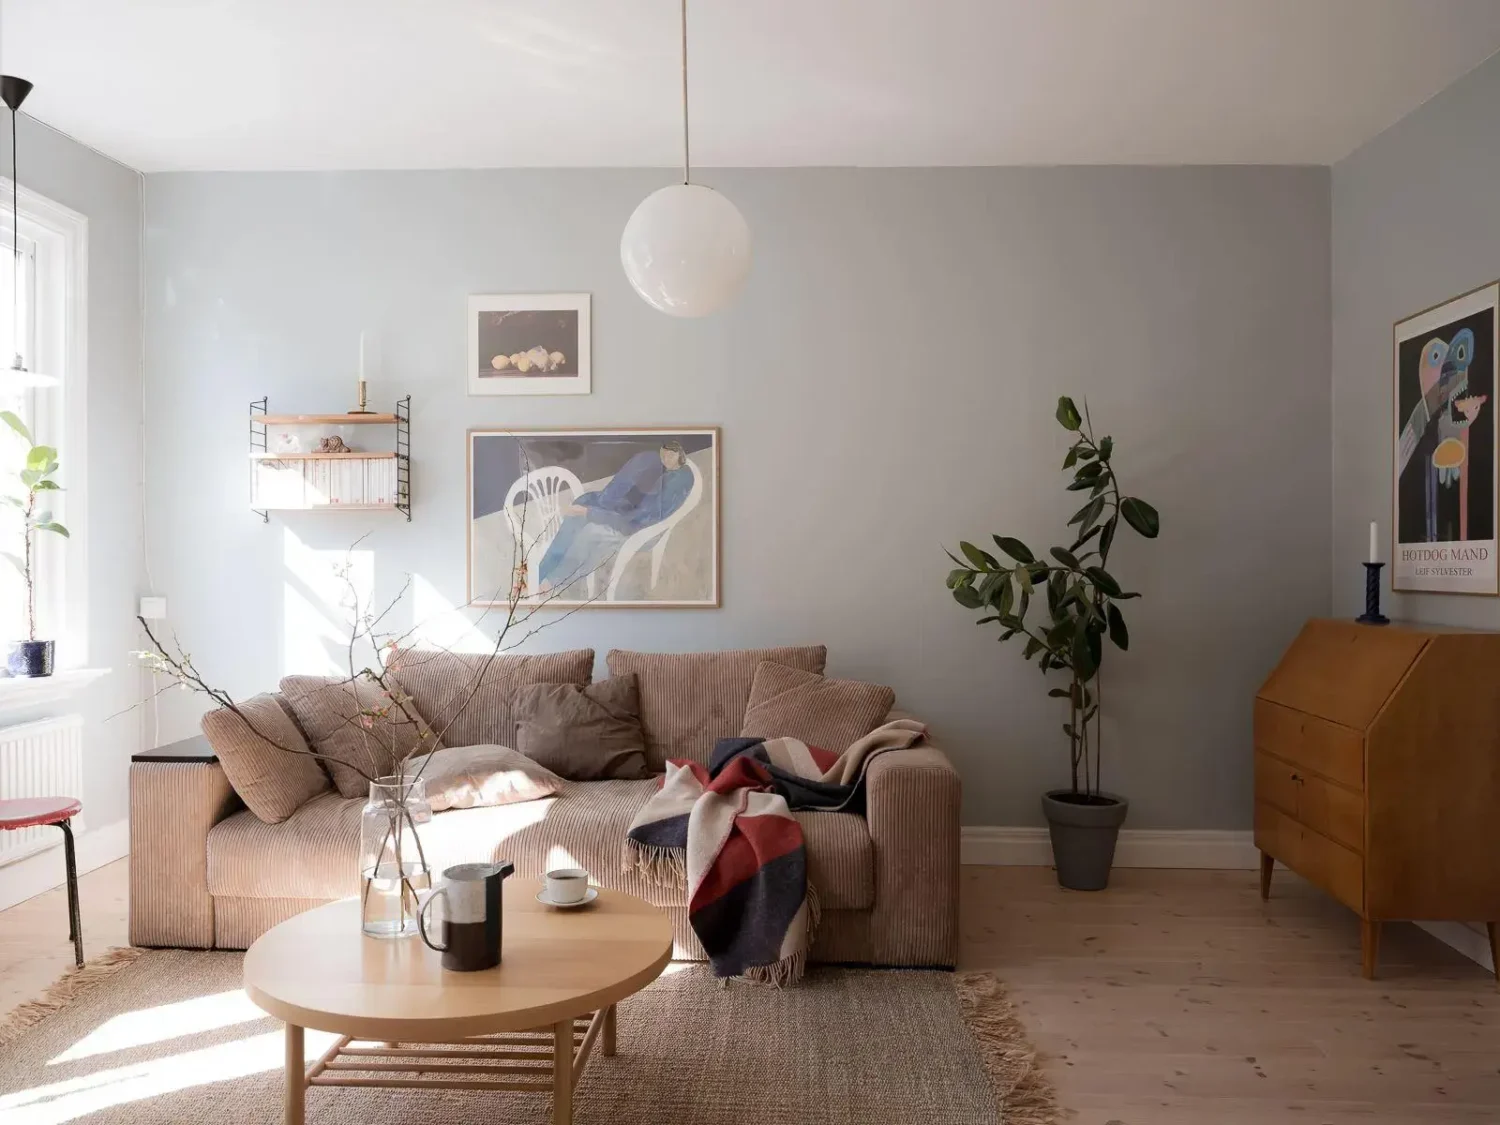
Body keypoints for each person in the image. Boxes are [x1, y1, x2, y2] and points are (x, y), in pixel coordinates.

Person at [535, 441, 693, 594]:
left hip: (640, 531)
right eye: (663, 456)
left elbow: (634, 522)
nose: (665, 460)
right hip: (633, 518)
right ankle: (543, 576)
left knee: (590, 532)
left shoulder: (673, 486)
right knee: (580, 523)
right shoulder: (671, 475)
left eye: (670, 456)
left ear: (680, 456)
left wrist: (590, 512)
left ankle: (552, 580)